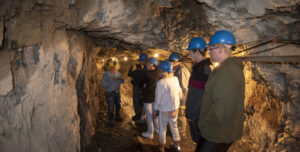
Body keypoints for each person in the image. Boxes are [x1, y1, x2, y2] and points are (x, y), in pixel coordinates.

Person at [197, 30, 245, 152]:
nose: (209, 52)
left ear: (220, 49)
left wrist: (205, 124)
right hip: (221, 131)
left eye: (211, 48)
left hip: (216, 133)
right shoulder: (228, 69)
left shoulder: (227, 72)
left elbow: (221, 109)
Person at [184, 37, 212, 150]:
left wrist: (190, 114)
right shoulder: (203, 68)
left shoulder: (202, 71)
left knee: (199, 140)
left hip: (197, 114)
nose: (189, 55)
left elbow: (196, 96)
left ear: (196, 51)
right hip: (200, 113)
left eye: (190, 52)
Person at [153, 61, 182, 152]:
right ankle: (176, 144)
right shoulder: (175, 79)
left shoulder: (161, 83)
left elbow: (158, 98)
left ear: (161, 71)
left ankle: (161, 146)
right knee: (174, 125)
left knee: (162, 128)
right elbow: (180, 93)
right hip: (175, 108)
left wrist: (155, 109)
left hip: (164, 110)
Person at [168, 53, 191, 139]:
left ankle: (182, 134)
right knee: (178, 116)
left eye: (170, 62)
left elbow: (184, 87)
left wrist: (181, 102)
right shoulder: (178, 70)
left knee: (181, 116)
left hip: (182, 99)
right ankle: (177, 132)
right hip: (178, 98)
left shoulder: (182, 70)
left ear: (173, 62)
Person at [101, 59, 125, 127]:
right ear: (108, 67)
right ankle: (111, 120)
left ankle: (117, 116)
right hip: (110, 93)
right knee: (111, 107)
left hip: (117, 92)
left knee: (118, 105)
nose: (112, 67)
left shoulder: (117, 73)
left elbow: (123, 80)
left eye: (113, 66)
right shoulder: (105, 75)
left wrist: (120, 79)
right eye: (110, 66)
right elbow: (103, 84)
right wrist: (112, 81)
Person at [140, 57, 160, 139]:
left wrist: (143, 85)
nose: (146, 65)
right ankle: (157, 129)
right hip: (155, 98)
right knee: (155, 115)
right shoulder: (158, 73)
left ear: (153, 65)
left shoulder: (146, 74)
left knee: (149, 116)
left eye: (148, 63)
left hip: (147, 97)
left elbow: (141, 83)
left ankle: (150, 133)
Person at [128, 53, 148, 122]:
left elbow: (144, 77)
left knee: (141, 101)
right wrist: (132, 68)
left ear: (146, 61)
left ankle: (142, 115)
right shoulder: (136, 66)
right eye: (141, 60)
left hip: (143, 87)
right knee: (135, 100)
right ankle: (137, 114)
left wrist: (140, 71)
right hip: (136, 86)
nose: (141, 62)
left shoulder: (147, 68)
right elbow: (129, 74)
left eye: (143, 60)